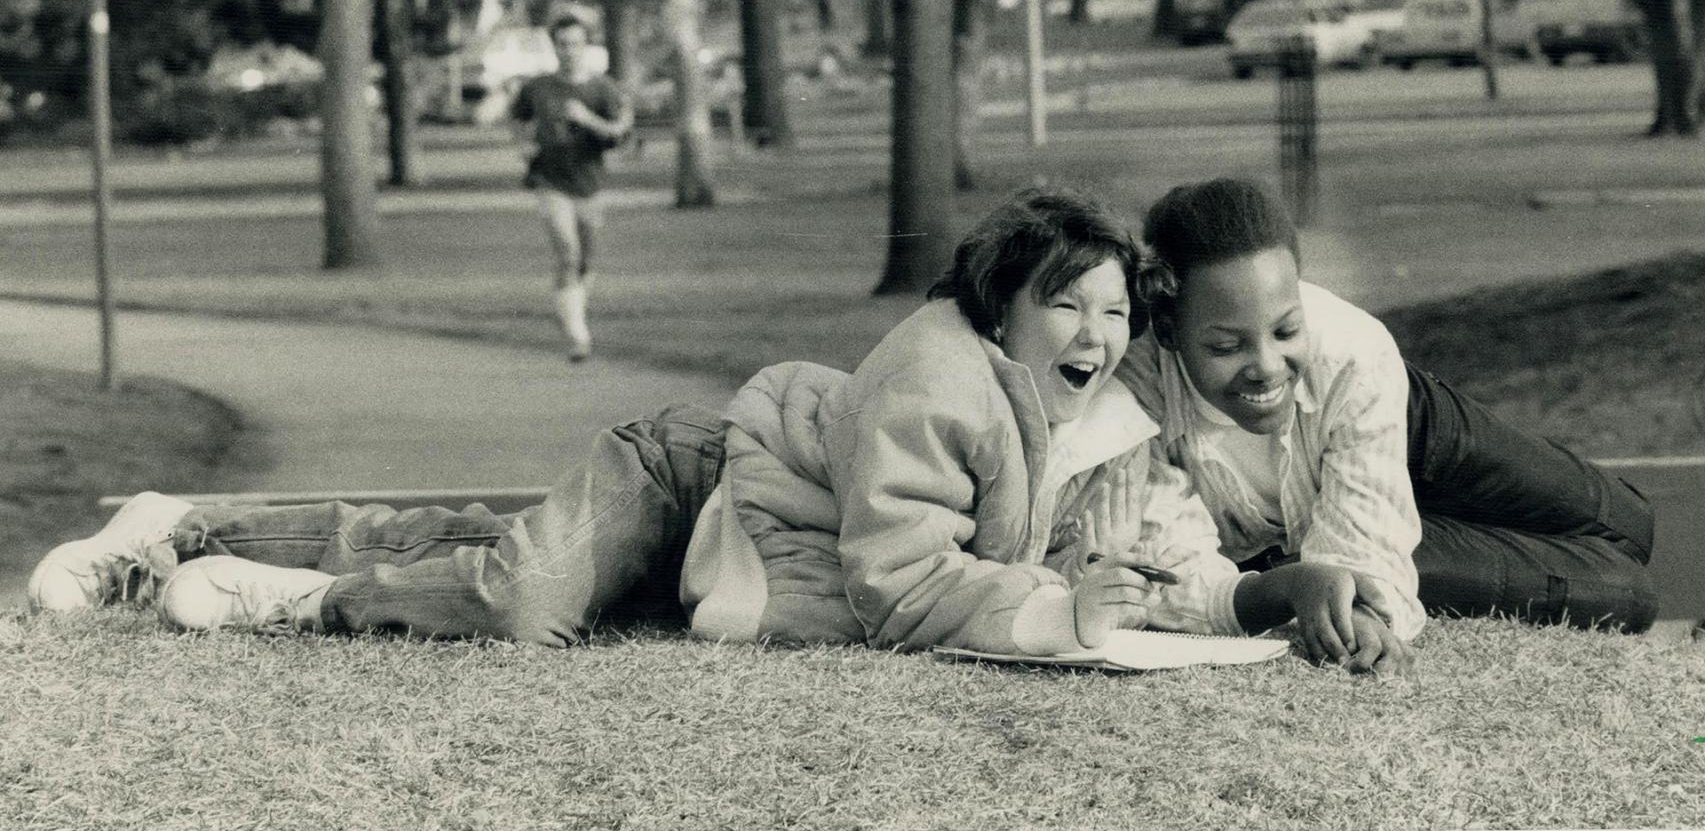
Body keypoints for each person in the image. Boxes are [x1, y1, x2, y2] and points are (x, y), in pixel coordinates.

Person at [28, 189, 1356, 658]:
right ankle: (274, 597)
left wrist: (1264, 595)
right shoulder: (938, 382)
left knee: (458, 538)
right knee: (517, 599)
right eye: (1064, 307)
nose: (1097, 336)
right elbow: (898, 584)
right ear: (998, 310)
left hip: (743, 547)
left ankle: (173, 522)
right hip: (692, 474)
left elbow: (1158, 550)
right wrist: (1055, 605)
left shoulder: (1105, 424)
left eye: (1114, 312)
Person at [1116, 177, 1657, 676]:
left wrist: (1351, 583)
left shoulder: (1353, 352)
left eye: (1286, 329)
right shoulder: (1134, 392)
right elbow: (1168, 572)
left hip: (1403, 424)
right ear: (1167, 332)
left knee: (1632, 522)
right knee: (1628, 594)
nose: (1266, 365)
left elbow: (1356, 542)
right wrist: (1329, 602)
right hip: (1297, 540)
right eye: (1225, 346)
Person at [511, 16, 633, 361]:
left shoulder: (602, 88)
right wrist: (523, 144)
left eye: (574, 44)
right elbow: (517, 119)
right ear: (554, 46)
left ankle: (568, 306)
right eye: (561, 44)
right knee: (568, 252)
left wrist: (587, 119)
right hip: (550, 181)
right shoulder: (538, 88)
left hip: (590, 183)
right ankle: (578, 336)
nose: (568, 51)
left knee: (586, 261)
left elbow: (620, 133)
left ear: (586, 46)